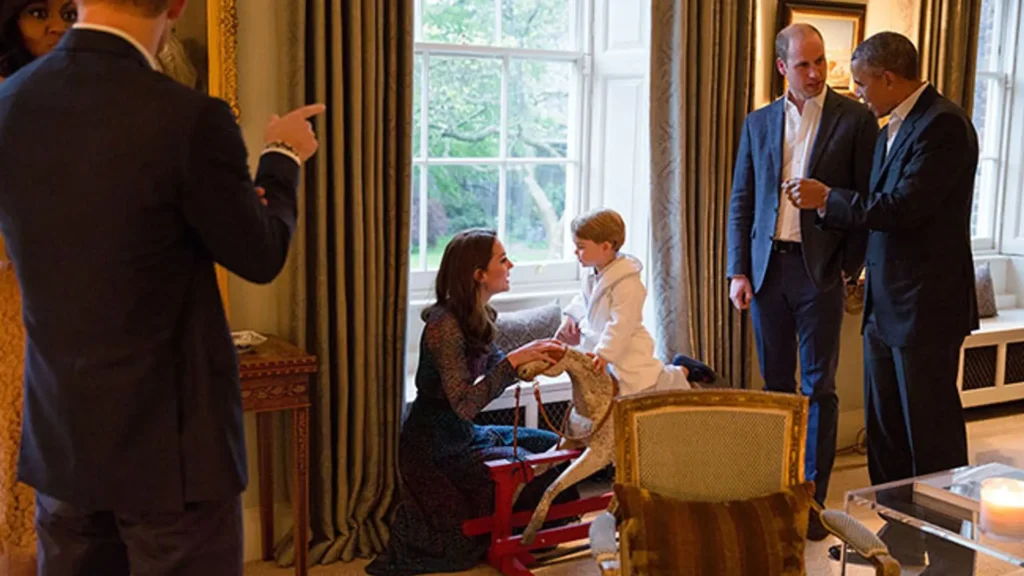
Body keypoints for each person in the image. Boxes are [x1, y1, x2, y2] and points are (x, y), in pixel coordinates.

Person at [0, 0, 325, 574]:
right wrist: (282, 157)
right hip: (174, 454)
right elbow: (260, 254)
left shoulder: (9, 104)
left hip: (63, 441)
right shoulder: (189, 118)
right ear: (176, 5)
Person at [786, 31, 978, 573]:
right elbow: (879, 209)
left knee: (931, 439)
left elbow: (902, 209)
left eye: (863, 83)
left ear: (890, 78)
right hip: (886, 303)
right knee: (887, 435)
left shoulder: (943, 125)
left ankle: (949, 559)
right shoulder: (891, 124)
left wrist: (829, 199)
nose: (858, 93)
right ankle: (899, 543)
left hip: (926, 307)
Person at [726, 22, 876, 538]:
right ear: (782, 67)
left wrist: (848, 267)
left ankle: (813, 501)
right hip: (767, 270)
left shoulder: (855, 119)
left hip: (821, 271)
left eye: (820, 62)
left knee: (819, 388)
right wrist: (738, 269)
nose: (815, 74)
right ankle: (778, 487)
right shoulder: (759, 122)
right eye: (804, 64)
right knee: (775, 387)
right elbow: (742, 199)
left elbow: (867, 200)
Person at [366, 229, 577, 576]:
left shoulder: (479, 314)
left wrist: (541, 356)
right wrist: (513, 363)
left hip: (463, 433)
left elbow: (500, 367)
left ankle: (525, 537)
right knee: (524, 464)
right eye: (502, 259)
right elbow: (466, 404)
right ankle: (509, 540)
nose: (511, 265)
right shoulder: (444, 326)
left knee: (551, 446)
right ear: (478, 274)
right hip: (434, 447)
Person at [0, 1, 75, 573]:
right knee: (18, 457)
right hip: (15, 302)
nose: (55, 25)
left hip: (77, 301)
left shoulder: (87, 96)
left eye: (69, 10)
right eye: (37, 11)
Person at [556, 208, 714, 395]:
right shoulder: (592, 274)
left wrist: (604, 353)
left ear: (605, 247)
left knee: (647, 384)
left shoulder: (627, 283)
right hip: (598, 344)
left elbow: (622, 322)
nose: (575, 252)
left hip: (626, 347)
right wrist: (571, 317)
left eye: (581, 247)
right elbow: (585, 301)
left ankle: (683, 370)